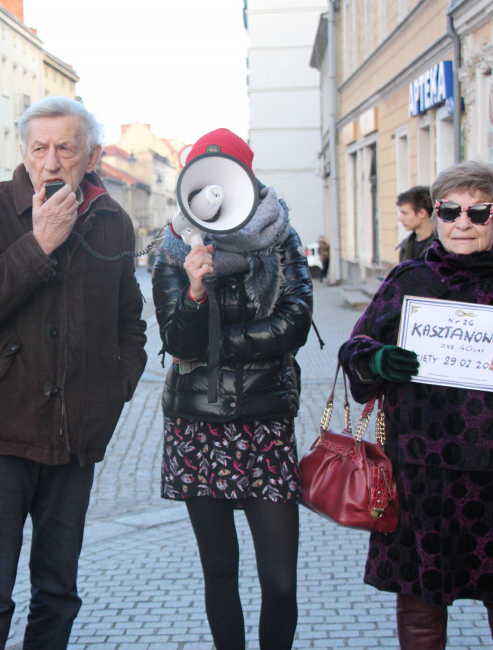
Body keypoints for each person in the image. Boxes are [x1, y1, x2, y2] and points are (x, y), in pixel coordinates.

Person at [338, 161, 493, 649]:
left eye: (478, 212)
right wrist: (379, 359)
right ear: (437, 215)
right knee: (421, 603)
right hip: (422, 472)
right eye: (449, 210)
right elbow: (355, 349)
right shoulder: (407, 281)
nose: (462, 222)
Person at [0, 95, 148, 648]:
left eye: (66, 147)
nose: (52, 161)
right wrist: (38, 244)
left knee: (58, 593)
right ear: (23, 152)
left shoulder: (111, 221)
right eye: (40, 148)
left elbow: (129, 322)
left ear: (93, 156)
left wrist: (115, 389)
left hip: (74, 440)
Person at [153, 128, 313, 650]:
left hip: (265, 421)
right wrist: (196, 290)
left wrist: (213, 346)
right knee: (219, 571)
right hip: (198, 427)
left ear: (248, 178)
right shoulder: (174, 246)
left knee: (281, 580)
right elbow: (177, 339)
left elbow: (294, 323)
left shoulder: (281, 235)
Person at [396, 185, 436, 262]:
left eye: (405, 213)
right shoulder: (405, 247)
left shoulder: (440, 247)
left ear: (421, 213)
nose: (400, 218)